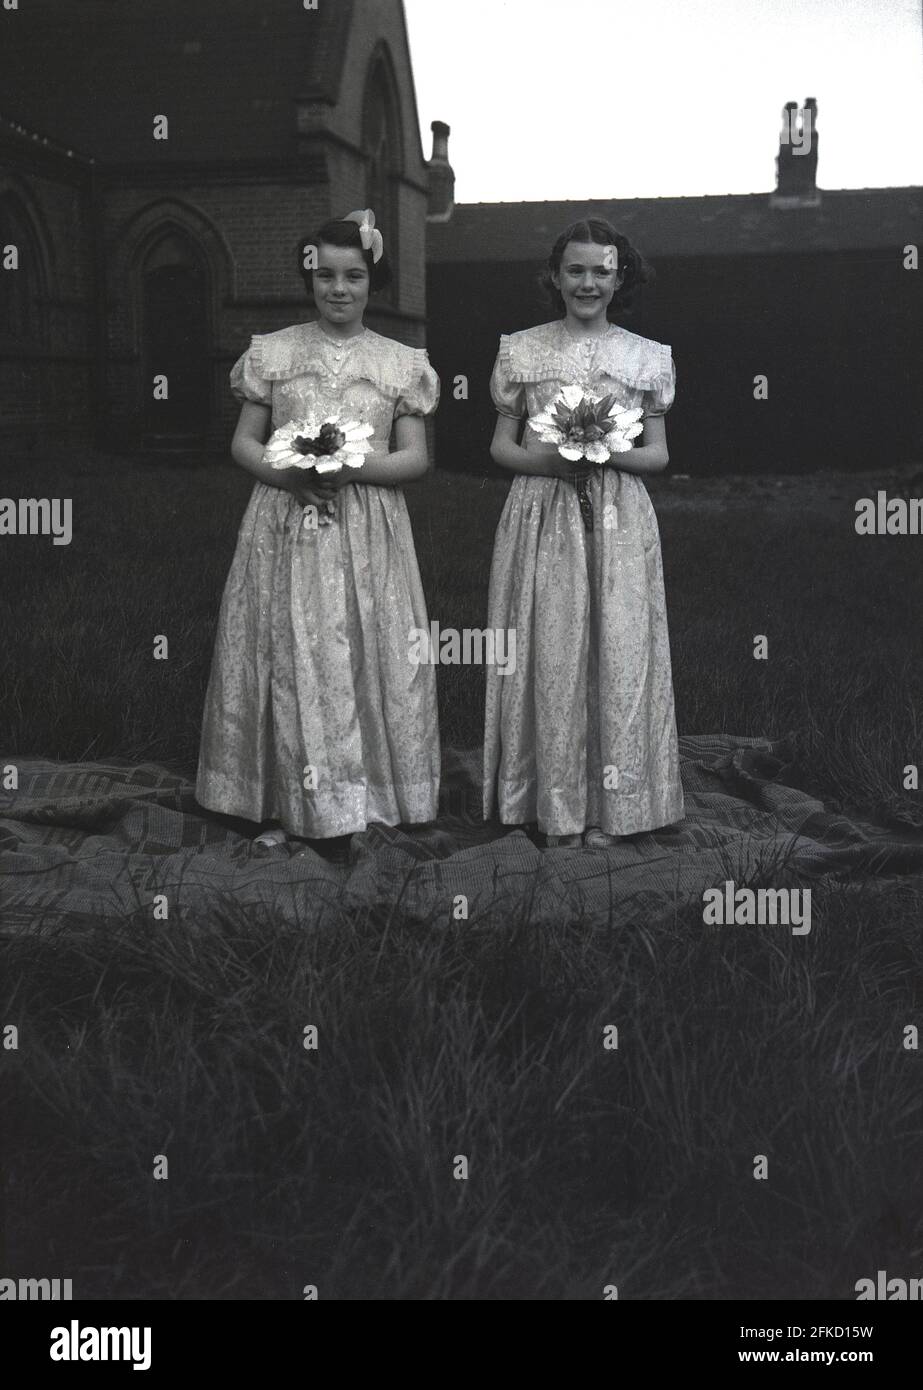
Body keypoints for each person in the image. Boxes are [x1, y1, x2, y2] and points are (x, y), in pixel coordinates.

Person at [196, 210, 440, 851]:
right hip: (286, 521)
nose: (339, 289)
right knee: (289, 648)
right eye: (326, 275)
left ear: (371, 281)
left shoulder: (398, 364)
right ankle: (284, 798)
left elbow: (416, 458)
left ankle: (371, 794)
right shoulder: (274, 353)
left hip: (368, 528)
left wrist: (355, 466)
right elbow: (244, 443)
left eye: (353, 276)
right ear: (309, 278)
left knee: (364, 648)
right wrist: (290, 477)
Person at [483, 217, 684, 849]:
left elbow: (657, 456)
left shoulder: (646, 357)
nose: (587, 283)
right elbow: (500, 448)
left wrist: (603, 454)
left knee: (618, 652)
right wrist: (555, 461)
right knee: (552, 650)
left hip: (619, 519)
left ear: (620, 276)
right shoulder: (522, 350)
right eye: (575, 270)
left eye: (601, 270)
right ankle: (553, 805)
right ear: (555, 275)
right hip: (543, 513)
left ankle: (613, 809)